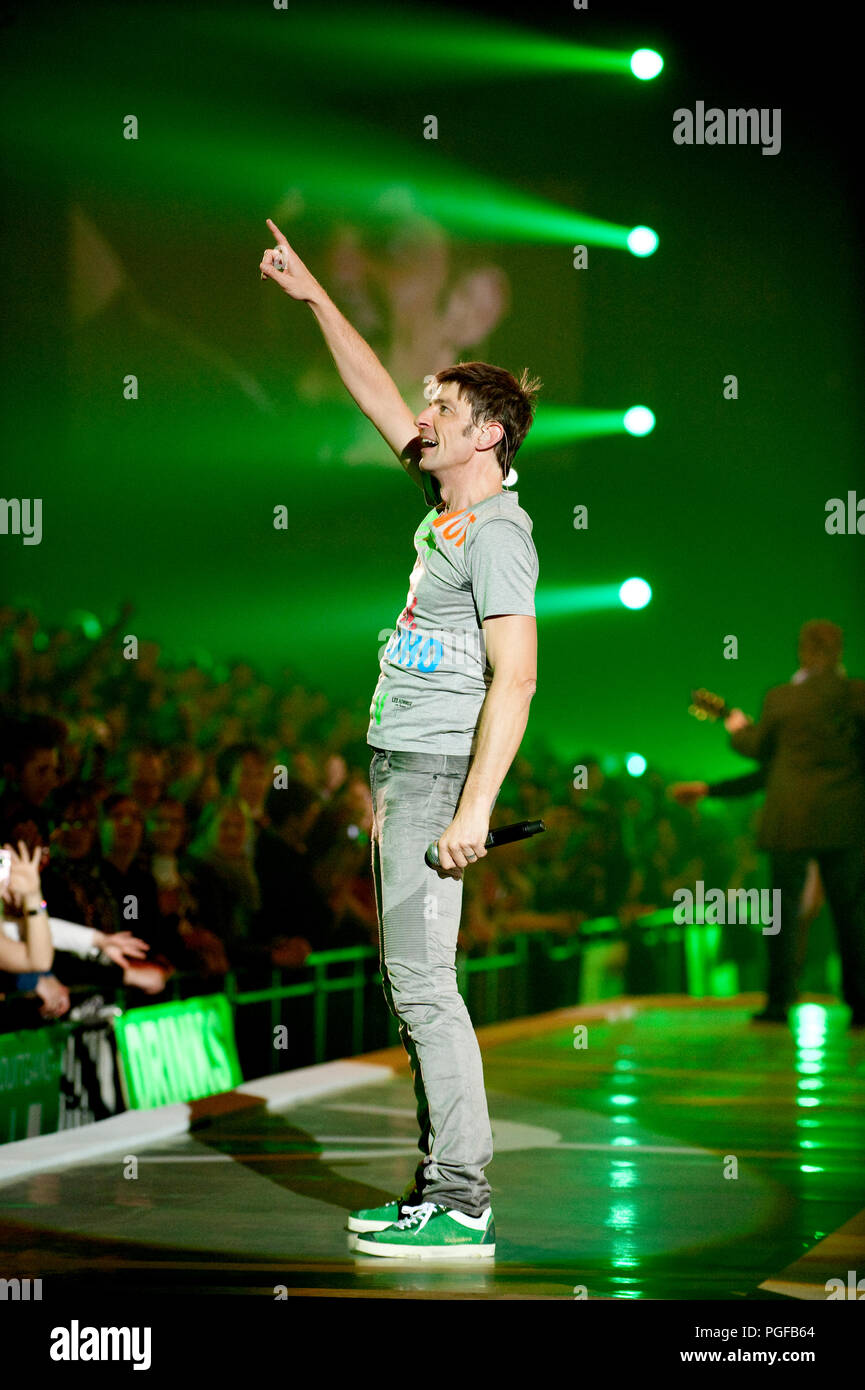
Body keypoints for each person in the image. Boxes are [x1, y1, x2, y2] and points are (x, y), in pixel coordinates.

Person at [261, 218, 540, 1258]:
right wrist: (318, 303)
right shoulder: (450, 506)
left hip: (432, 777)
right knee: (414, 978)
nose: (424, 411)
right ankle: (440, 1188)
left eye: (445, 407)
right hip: (408, 772)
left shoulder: (500, 535)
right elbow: (379, 393)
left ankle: (460, 1198)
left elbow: (517, 675)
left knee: (423, 984)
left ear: (486, 436)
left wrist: (470, 807)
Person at [721, 620, 865, 1026]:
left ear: (803, 650)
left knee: (781, 914)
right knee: (851, 914)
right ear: (838, 650)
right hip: (844, 818)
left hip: (791, 819)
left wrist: (735, 729)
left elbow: (757, 748)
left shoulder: (782, 698)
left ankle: (779, 1001)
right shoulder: (857, 695)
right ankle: (861, 1002)